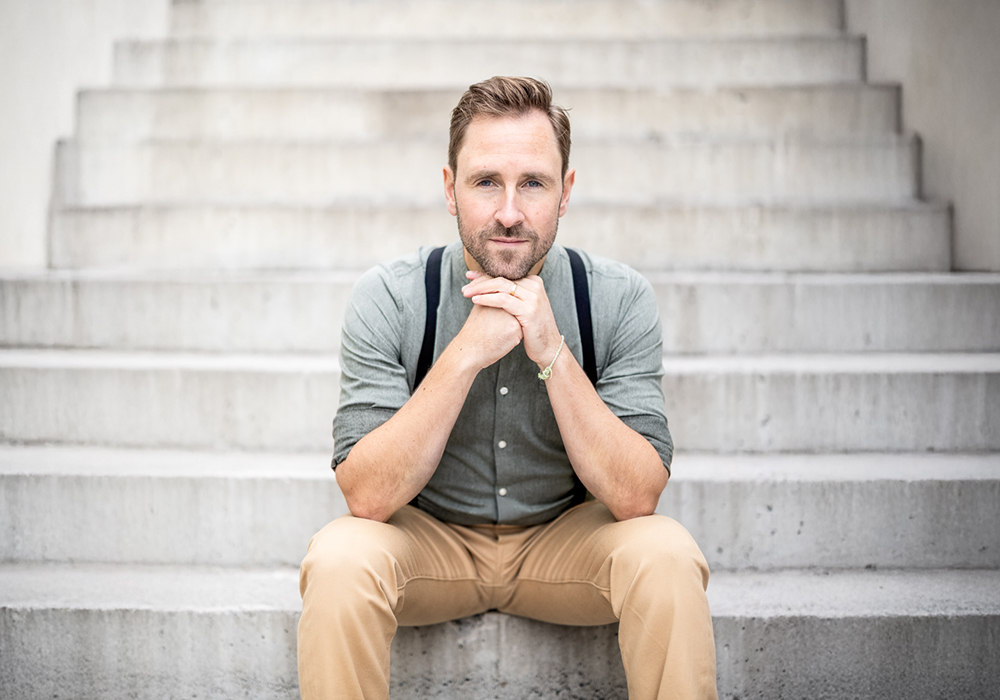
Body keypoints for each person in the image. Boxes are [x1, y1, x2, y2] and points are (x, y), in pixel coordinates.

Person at [297, 76, 717, 700]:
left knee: (668, 553)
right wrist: (465, 353)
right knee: (338, 557)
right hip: (429, 545)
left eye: (534, 184)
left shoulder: (619, 298)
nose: (510, 213)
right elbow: (366, 494)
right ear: (450, 188)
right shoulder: (389, 296)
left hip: (565, 544)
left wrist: (551, 350)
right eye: (487, 181)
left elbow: (636, 496)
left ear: (566, 192)